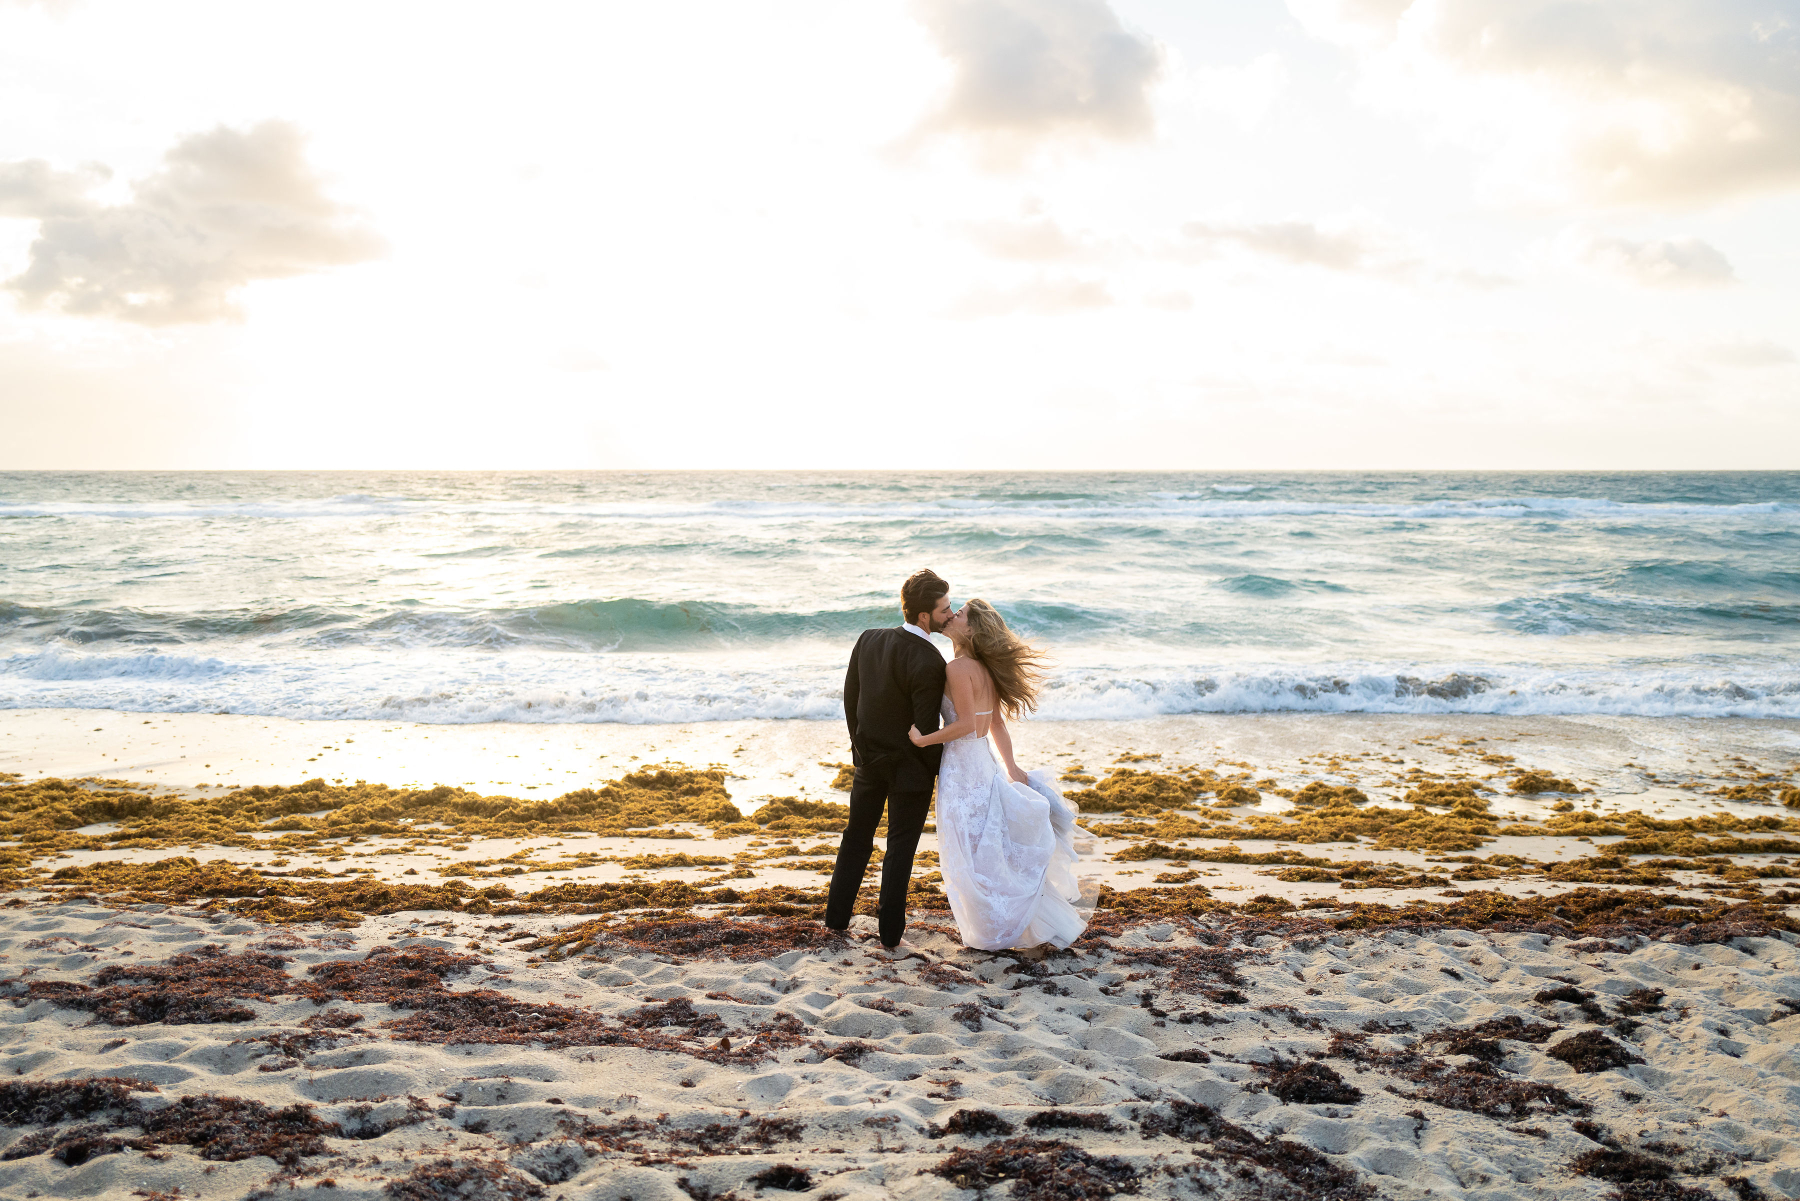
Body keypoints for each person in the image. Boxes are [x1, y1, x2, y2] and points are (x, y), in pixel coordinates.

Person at [906, 598, 1091, 951]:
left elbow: (962, 725)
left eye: (959, 614)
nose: (953, 615)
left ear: (971, 629)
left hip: (961, 770)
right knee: (986, 849)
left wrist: (922, 739)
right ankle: (1001, 925)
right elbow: (995, 725)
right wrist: (1010, 767)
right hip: (983, 764)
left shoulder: (959, 668)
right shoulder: (983, 668)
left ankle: (992, 931)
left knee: (969, 852)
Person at [824, 568, 954, 949]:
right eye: (945, 609)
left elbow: (851, 700)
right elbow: (925, 729)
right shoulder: (930, 660)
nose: (950, 614)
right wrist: (931, 773)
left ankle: (835, 919)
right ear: (924, 616)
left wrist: (859, 749)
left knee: (855, 839)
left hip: (868, 760)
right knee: (900, 850)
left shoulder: (869, 640)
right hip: (909, 771)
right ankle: (890, 934)